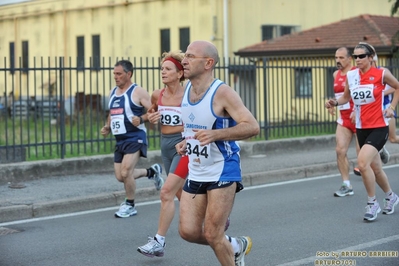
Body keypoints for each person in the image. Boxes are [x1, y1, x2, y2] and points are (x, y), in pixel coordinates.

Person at [176, 40, 259, 265]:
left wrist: (216, 135)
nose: (184, 60)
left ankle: (228, 252)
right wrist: (186, 142)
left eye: (191, 56)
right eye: (186, 55)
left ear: (208, 63)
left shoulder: (222, 92)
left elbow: (252, 126)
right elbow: (194, 128)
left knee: (212, 233)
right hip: (197, 169)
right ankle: (235, 245)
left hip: (223, 168)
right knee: (188, 231)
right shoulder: (186, 91)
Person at [325, 42, 399, 221]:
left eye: (361, 56)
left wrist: (391, 107)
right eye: (356, 56)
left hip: (379, 126)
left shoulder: (382, 74)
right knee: (375, 168)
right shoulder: (351, 76)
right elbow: (345, 97)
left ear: (370, 57)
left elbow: (397, 87)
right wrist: (334, 102)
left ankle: (372, 203)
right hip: (361, 127)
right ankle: (391, 196)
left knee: (362, 163)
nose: (357, 59)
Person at [137, 51, 189, 257]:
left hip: (182, 146)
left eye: (168, 69)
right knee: (179, 193)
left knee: (166, 191)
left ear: (179, 73)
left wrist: (188, 139)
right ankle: (209, 217)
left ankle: (159, 241)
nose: (163, 72)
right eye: (162, 69)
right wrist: (151, 117)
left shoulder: (189, 95)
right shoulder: (158, 94)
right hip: (165, 146)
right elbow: (150, 113)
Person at [100, 59, 164, 218]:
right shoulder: (112, 92)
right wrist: (107, 126)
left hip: (136, 137)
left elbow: (154, 111)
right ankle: (152, 172)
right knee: (121, 176)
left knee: (126, 171)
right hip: (120, 140)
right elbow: (112, 113)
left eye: (119, 74)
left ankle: (130, 205)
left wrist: (141, 119)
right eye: (114, 74)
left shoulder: (138, 92)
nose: (116, 77)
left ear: (129, 74)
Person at [329, 47, 359, 197]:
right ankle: (346, 185)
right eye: (336, 57)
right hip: (344, 119)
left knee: (363, 160)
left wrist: (356, 110)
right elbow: (340, 96)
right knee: (340, 150)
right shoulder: (336, 74)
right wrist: (332, 103)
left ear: (349, 59)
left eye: (341, 58)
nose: (338, 61)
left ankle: (378, 150)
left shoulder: (356, 73)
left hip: (359, 117)